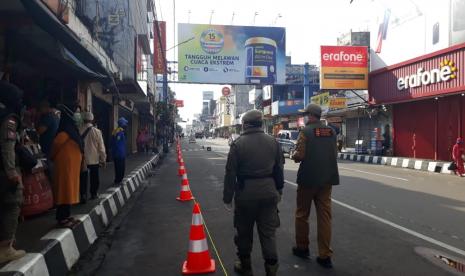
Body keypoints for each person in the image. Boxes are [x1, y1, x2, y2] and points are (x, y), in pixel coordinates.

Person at [223, 110, 284, 276]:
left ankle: (245, 265)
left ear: (245, 124)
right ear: (260, 124)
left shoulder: (238, 144)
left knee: (243, 232)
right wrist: (279, 190)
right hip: (269, 193)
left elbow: (230, 173)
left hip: (246, 195)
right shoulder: (274, 142)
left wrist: (227, 197)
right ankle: (271, 269)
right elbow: (279, 170)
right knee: (268, 234)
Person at [291, 103, 339, 269]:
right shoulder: (331, 131)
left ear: (310, 116)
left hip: (308, 180)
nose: (303, 117)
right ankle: (325, 255)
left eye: (305, 114)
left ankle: (302, 248)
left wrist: (293, 154)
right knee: (325, 217)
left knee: (302, 214)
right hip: (327, 180)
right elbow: (334, 153)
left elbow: (300, 155)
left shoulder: (305, 132)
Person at [0, 81, 26, 263]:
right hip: (4, 169)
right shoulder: (9, 118)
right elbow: (7, 147)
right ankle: (5, 248)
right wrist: (11, 173)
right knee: (13, 203)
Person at [50, 104, 83, 227]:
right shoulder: (64, 133)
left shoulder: (73, 130)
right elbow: (54, 148)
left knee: (69, 192)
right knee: (64, 192)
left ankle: (67, 215)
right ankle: (62, 218)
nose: (79, 115)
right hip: (65, 168)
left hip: (71, 169)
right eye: (76, 112)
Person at [80, 112, 107, 201]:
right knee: (94, 177)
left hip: (82, 159)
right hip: (93, 159)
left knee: (82, 177)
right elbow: (101, 148)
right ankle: (93, 193)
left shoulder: (78, 129)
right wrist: (103, 159)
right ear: (92, 120)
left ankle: (83, 195)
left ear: (83, 120)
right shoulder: (97, 131)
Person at [112, 117, 128, 185]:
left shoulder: (115, 131)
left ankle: (118, 179)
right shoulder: (119, 132)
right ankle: (118, 180)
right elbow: (117, 143)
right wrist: (121, 153)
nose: (126, 125)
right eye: (125, 124)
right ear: (122, 124)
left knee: (117, 167)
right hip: (119, 154)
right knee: (121, 168)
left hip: (116, 153)